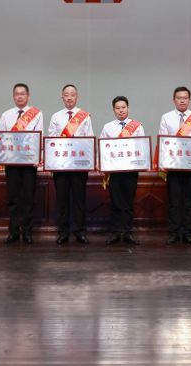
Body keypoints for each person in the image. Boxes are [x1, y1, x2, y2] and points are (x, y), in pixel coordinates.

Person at [46, 84, 93, 245]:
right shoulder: (56, 116)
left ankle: (80, 232)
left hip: (79, 166)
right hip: (61, 166)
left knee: (79, 200)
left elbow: (89, 139)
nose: (69, 97)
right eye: (66, 94)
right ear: (62, 97)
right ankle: (63, 232)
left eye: (72, 94)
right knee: (62, 200)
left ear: (77, 97)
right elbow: (51, 140)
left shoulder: (84, 116)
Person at [159, 86, 191, 245]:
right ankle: (174, 232)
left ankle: (187, 233)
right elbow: (163, 141)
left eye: (185, 98)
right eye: (179, 98)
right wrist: (163, 163)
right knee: (174, 202)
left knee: (189, 202)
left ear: (189, 100)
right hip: (173, 167)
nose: (182, 101)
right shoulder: (166, 117)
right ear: (174, 100)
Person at [0, 83, 43, 244]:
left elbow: (39, 137)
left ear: (28, 96)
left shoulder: (37, 114)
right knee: (13, 199)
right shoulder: (6, 115)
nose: (19, 96)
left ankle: (28, 232)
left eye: (22, 93)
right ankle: (14, 232)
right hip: (11, 163)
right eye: (17, 94)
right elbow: (1, 138)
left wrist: (38, 158)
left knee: (28, 199)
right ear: (13, 96)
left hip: (29, 164)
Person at [100, 96, 144, 246]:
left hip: (131, 171)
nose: (121, 110)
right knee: (116, 202)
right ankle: (116, 232)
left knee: (128, 202)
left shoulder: (137, 126)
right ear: (114, 110)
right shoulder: (108, 127)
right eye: (118, 108)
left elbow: (142, 147)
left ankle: (127, 232)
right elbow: (103, 148)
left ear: (128, 108)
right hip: (114, 171)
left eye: (123, 107)